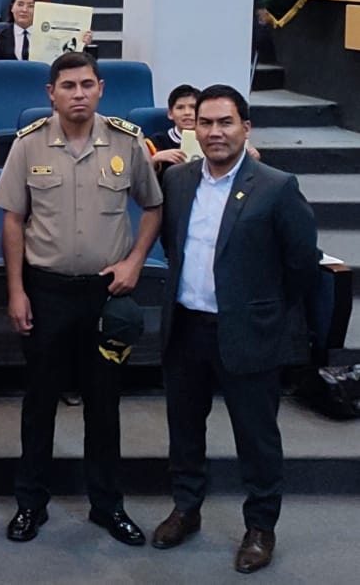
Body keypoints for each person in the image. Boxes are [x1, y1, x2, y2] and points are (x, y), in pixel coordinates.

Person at [0, 52, 164, 547]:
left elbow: (152, 206)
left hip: (105, 294)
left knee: (104, 406)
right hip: (46, 293)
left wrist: (134, 261)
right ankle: (31, 504)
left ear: (101, 88)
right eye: (68, 86)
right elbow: (12, 220)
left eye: (87, 84)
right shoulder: (27, 146)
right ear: (51, 93)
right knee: (39, 404)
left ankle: (107, 506)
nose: (78, 93)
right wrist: (16, 290)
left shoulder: (128, 142)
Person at [150, 85, 320, 573]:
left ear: (246, 128)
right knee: (184, 431)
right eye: (205, 123)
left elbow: (301, 266)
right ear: (192, 128)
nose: (215, 132)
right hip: (185, 328)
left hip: (249, 332)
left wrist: (263, 308)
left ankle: (260, 528)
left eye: (226, 122)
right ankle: (186, 509)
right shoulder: (178, 181)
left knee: (256, 437)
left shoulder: (276, 185)